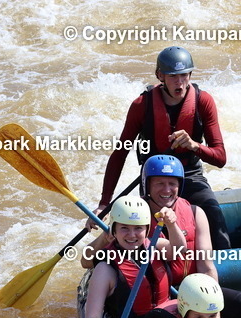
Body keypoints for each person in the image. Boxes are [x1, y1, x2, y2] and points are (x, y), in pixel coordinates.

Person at [90, 46, 231, 249]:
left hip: (189, 174)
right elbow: (120, 153)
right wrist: (104, 203)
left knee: (213, 212)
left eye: (184, 75)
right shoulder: (141, 105)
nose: (180, 82)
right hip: (153, 179)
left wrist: (194, 145)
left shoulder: (203, 102)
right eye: (173, 76)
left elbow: (220, 158)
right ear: (160, 76)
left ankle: (220, 269)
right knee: (144, 227)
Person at [140, 154, 241, 318]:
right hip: (156, 296)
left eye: (172, 183)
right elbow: (172, 253)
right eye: (159, 183)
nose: (167, 190)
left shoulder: (196, 213)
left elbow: (206, 267)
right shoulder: (134, 218)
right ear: (147, 186)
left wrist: (213, 310)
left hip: (192, 291)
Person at [82, 197, 171, 318]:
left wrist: (172, 224)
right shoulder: (105, 270)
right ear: (113, 230)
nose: (131, 235)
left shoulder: (155, 247)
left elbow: (180, 248)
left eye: (138, 228)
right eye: (124, 228)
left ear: (147, 229)